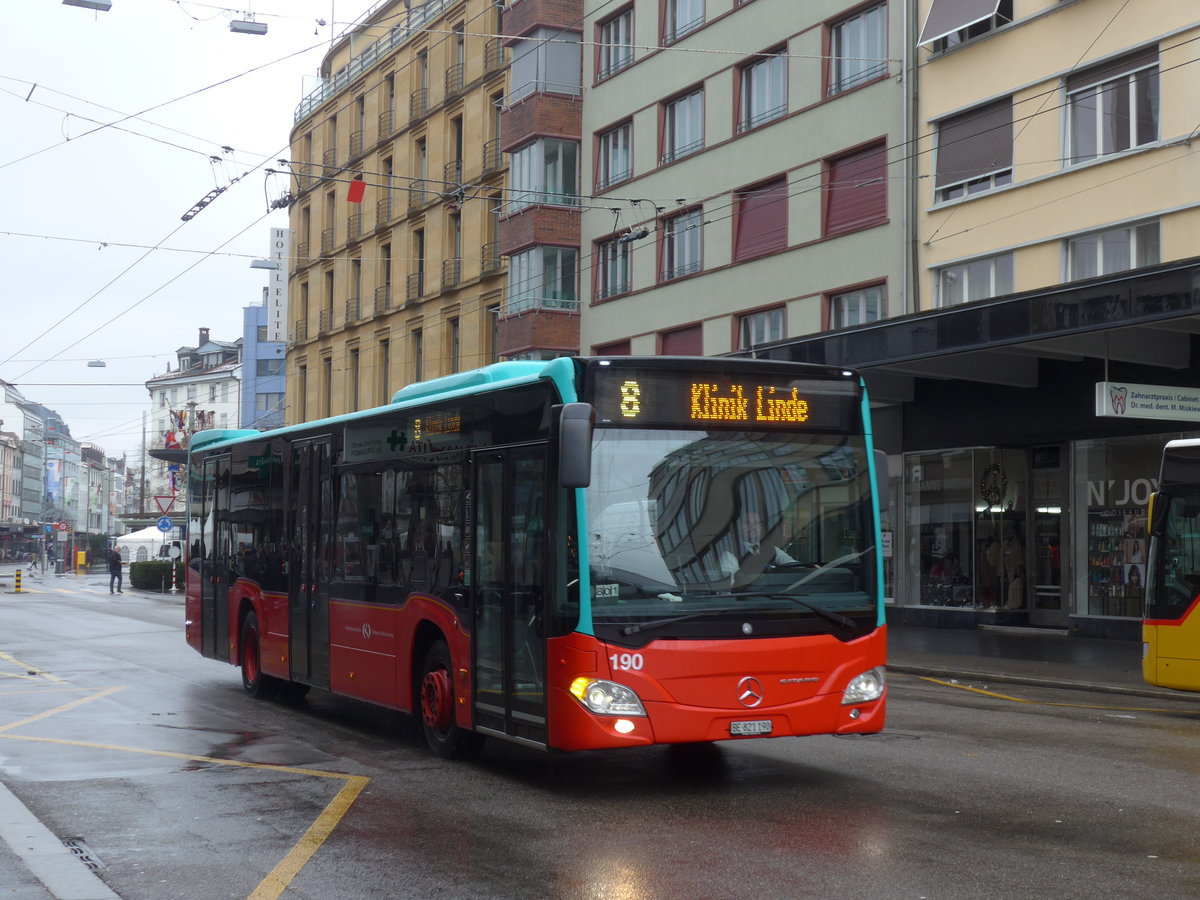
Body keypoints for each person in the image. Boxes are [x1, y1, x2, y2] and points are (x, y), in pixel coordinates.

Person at [720, 509, 797, 578]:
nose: (752, 527)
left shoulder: (773, 550)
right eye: (747, 523)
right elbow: (729, 587)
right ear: (738, 526)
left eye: (756, 523)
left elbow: (795, 566)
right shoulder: (729, 554)